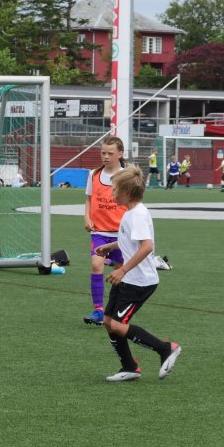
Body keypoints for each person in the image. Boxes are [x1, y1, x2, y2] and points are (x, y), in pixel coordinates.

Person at [92, 167, 182, 382]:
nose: (112, 193)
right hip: (128, 278)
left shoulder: (138, 214)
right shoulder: (130, 212)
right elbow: (131, 240)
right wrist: (111, 246)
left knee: (118, 325)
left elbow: (147, 246)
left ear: (127, 192)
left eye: (115, 190)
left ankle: (166, 348)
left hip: (139, 282)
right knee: (108, 321)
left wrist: (123, 269)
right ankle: (129, 367)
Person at [82, 137, 127, 326]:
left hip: (121, 234)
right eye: (103, 153)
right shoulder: (94, 174)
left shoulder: (126, 175)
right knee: (96, 264)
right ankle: (98, 310)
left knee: (120, 271)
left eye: (110, 153)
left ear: (120, 154)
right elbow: (89, 199)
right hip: (99, 232)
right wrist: (87, 217)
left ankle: (115, 310)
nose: (106, 156)